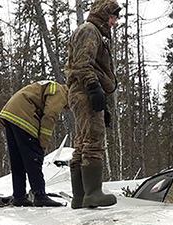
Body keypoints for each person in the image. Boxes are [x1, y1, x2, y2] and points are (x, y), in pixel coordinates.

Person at [65, 0, 121, 209]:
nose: (114, 22)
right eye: (113, 17)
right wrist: (93, 87)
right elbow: (82, 63)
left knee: (82, 140)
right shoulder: (90, 30)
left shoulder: (92, 32)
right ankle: (93, 193)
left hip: (82, 90)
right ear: (103, 14)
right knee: (93, 138)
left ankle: (80, 196)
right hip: (84, 90)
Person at [0, 80, 69, 207]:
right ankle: (40, 195)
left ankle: (19, 196)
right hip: (24, 114)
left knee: (18, 159)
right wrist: (42, 142)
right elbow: (49, 116)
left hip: (10, 113)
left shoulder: (50, 86)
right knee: (33, 157)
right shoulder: (61, 92)